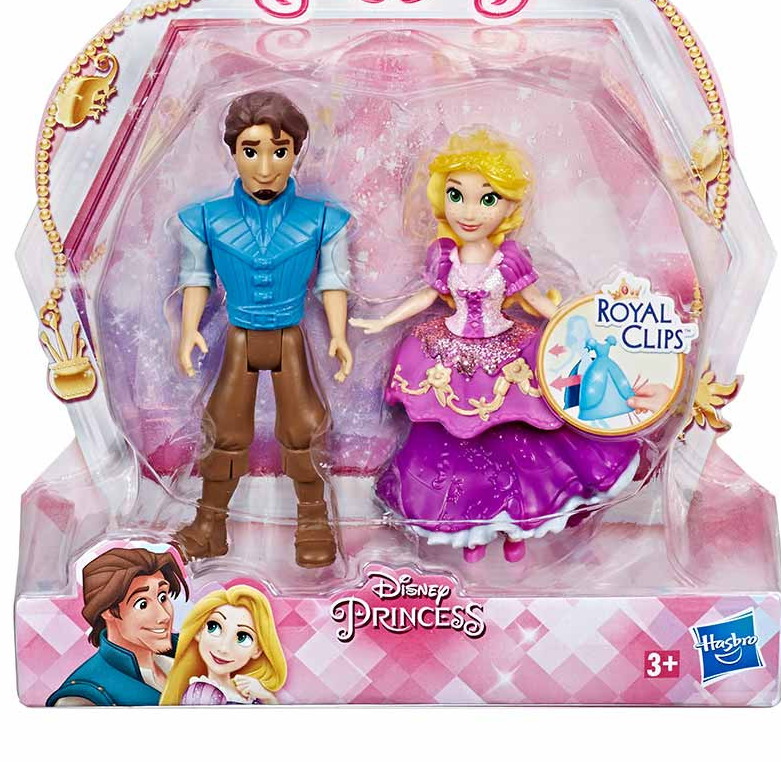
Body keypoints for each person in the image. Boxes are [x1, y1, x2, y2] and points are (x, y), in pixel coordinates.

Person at [351, 130, 640, 563]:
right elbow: (426, 298)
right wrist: (381, 321)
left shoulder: (509, 260)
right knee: (451, 446)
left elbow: (535, 302)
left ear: (508, 206)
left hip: (507, 352)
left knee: (519, 440)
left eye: (487, 199)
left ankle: (518, 526)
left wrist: (580, 323)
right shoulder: (443, 256)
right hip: (448, 353)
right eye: (457, 195)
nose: (469, 212)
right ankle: (471, 530)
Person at [173, 90, 352, 568]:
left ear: (296, 152)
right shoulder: (207, 219)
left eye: (280, 151)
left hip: (290, 336)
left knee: (303, 426)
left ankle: (313, 518)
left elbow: (333, 281)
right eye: (251, 151)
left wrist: (338, 335)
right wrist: (189, 331)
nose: (267, 168)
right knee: (226, 427)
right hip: (239, 335)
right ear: (233, 152)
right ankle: (210, 523)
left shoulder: (322, 220)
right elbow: (196, 278)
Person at [46, 547, 188, 706]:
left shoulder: (192, 650)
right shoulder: (82, 699)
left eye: (162, 597)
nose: (164, 616)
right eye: (142, 604)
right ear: (107, 611)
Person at [160, 585, 286, 705]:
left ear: (257, 649)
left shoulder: (250, 692)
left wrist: (268, 697)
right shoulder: (201, 692)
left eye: (243, 637)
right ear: (199, 631)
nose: (223, 648)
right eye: (213, 627)